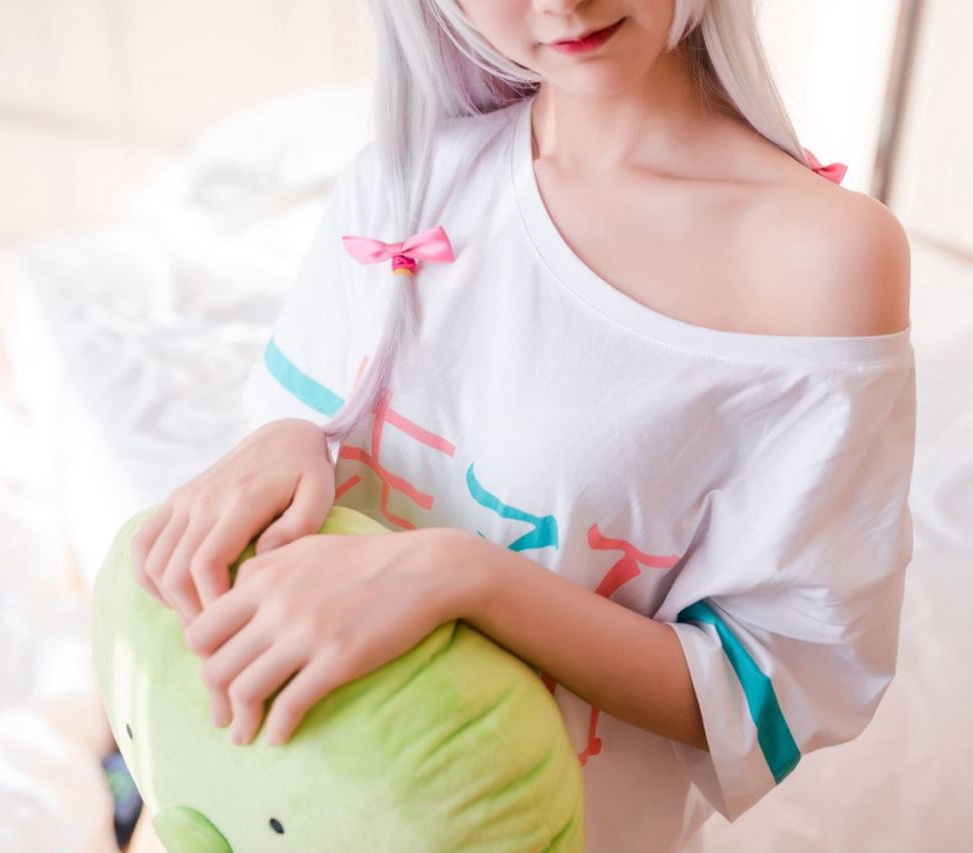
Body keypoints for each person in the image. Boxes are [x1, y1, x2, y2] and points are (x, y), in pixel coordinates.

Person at [128, 1, 917, 851]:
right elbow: (300, 476)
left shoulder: (822, 256)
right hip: (281, 805)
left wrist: (464, 576)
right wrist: (288, 436)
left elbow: (769, 691)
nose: (561, 3)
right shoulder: (409, 175)